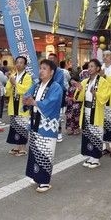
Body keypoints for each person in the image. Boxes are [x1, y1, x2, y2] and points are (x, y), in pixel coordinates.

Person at [23, 59, 62, 193]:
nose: (41, 71)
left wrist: (35, 103)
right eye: (40, 68)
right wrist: (26, 100)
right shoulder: (37, 85)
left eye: (44, 68)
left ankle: (44, 181)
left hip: (47, 124)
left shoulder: (56, 87)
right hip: (35, 123)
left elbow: (52, 102)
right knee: (35, 150)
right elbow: (28, 95)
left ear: (51, 72)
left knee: (45, 151)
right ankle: (35, 175)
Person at [74, 59, 110, 168]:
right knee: (88, 134)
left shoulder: (103, 81)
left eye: (92, 66)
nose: (89, 69)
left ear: (98, 68)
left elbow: (105, 97)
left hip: (96, 111)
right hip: (86, 111)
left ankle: (96, 158)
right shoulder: (85, 81)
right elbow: (78, 98)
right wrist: (79, 89)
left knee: (96, 134)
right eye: (88, 66)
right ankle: (90, 155)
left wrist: (96, 94)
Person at [5, 56, 33, 156]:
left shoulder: (28, 77)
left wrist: (15, 83)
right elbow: (7, 92)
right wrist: (11, 83)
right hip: (13, 105)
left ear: (25, 65)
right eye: (17, 62)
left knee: (23, 127)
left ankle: (23, 148)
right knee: (15, 127)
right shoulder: (13, 75)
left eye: (21, 62)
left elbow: (26, 91)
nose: (19, 64)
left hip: (22, 106)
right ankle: (17, 147)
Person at [48, 53, 66, 142]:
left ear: (56, 60)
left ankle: (59, 133)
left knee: (57, 115)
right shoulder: (46, 70)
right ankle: (50, 132)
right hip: (47, 96)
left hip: (57, 97)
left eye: (52, 58)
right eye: (49, 58)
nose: (50, 60)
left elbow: (57, 84)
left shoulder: (59, 71)